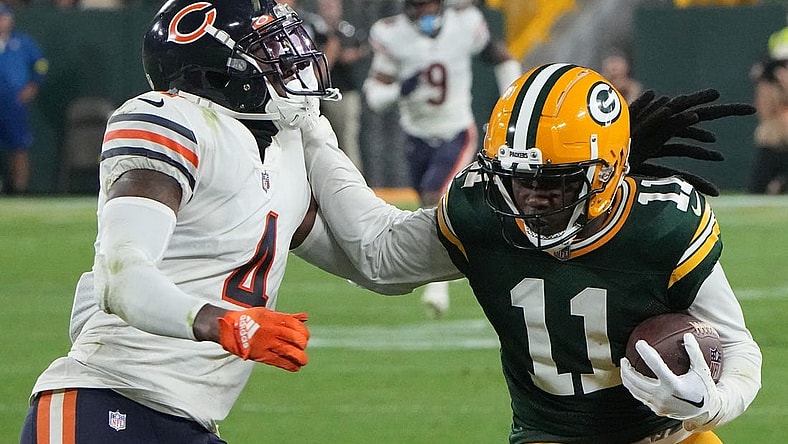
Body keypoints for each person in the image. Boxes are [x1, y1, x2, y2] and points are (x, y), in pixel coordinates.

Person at [297, 63, 762, 443]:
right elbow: (379, 257)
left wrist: (710, 404)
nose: (533, 199)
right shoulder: (483, 216)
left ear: (607, 174)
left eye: (554, 181)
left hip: (665, 438)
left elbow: (739, 347)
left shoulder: (662, 226)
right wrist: (307, 136)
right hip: (549, 436)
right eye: (520, 179)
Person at [20, 1, 337, 441]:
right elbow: (122, 278)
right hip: (104, 400)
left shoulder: (281, 153)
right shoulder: (172, 120)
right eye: (264, 49)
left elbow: (374, 251)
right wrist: (226, 323)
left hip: (189, 421)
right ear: (218, 65)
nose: (286, 61)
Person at [363, 0, 520, 318]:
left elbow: (502, 57)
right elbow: (374, 95)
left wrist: (512, 101)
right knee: (427, 209)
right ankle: (456, 261)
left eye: (431, 4)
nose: (426, 13)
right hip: (416, 135)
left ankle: (439, 287)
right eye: (420, 6)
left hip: (456, 130)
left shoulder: (464, 24)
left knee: (437, 196)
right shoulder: (391, 34)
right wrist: (398, 90)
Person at [0, 2, 47, 195]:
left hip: (15, 104)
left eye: (4, 17)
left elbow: (41, 64)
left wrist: (33, 85)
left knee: (19, 147)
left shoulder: (22, 42)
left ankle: (20, 189)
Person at [748, 57, 788, 194]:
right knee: (758, 188)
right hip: (771, 142)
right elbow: (763, 109)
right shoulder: (766, 84)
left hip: (783, 141)